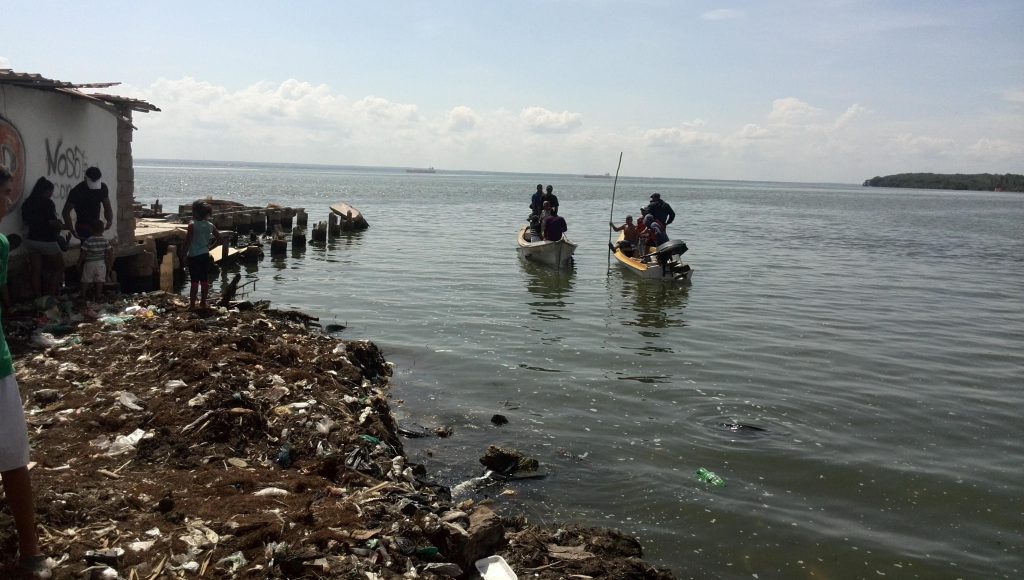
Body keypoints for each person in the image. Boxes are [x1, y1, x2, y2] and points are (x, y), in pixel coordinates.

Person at [0, 166, 48, 577]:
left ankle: (30, 547)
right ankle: (30, 549)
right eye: (4, 194)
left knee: (14, 454)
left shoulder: (0, 243)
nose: (8, 201)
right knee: (13, 454)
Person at [20, 177, 66, 298]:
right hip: (46, 241)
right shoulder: (47, 203)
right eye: (50, 191)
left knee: (36, 270)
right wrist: (62, 225)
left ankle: (37, 297)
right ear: (45, 191)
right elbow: (52, 222)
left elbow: (26, 221)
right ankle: (50, 296)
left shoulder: (27, 203)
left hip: (30, 240)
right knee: (59, 267)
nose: (51, 194)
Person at [183, 201, 224, 309]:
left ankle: (192, 305)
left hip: (194, 257)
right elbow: (220, 240)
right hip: (205, 256)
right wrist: (209, 248)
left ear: (195, 213)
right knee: (205, 280)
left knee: (194, 281)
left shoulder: (192, 225)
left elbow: (187, 242)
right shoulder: (210, 225)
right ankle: (203, 302)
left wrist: (183, 255)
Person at [61, 166, 113, 238]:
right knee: (87, 244)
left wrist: (109, 220)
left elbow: (107, 205)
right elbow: (66, 212)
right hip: (82, 225)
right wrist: (71, 229)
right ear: (85, 178)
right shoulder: (76, 191)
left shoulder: (102, 188)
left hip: (96, 225)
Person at [77, 220, 112, 302]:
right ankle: (98, 296)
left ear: (91, 230)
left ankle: (83, 295)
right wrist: (109, 263)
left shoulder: (88, 240)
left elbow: (83, 253)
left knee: (86, 280)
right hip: (101, 263)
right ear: (103, 230)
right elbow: (109, 252)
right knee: (100, 280)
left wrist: (79, 262)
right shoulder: (105, 240)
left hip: (89, 263)